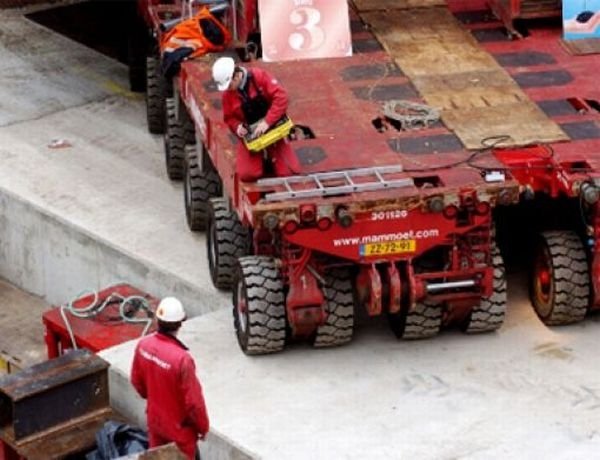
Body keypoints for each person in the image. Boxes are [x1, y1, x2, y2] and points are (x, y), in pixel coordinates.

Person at [130, 297, 209, 460]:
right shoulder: (182, 360)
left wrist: (154, 397)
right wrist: (203, 427)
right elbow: (194, 404)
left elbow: (137, 382)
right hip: (180, 431)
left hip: (156, 421)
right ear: (180, 323)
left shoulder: (143, 345)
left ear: (158, 321)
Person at [212, 56, 301, 182]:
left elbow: (281, 97)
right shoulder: (228, 94)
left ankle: (273, 156)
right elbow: (229, 118)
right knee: (247, 174)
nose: (228, 88)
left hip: (273, 129)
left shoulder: (259, 77)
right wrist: (238, 127)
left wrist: (267, 122)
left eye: (229, 84)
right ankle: (263, 159)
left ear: (236, 76)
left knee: (289, 172)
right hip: (253, 136)